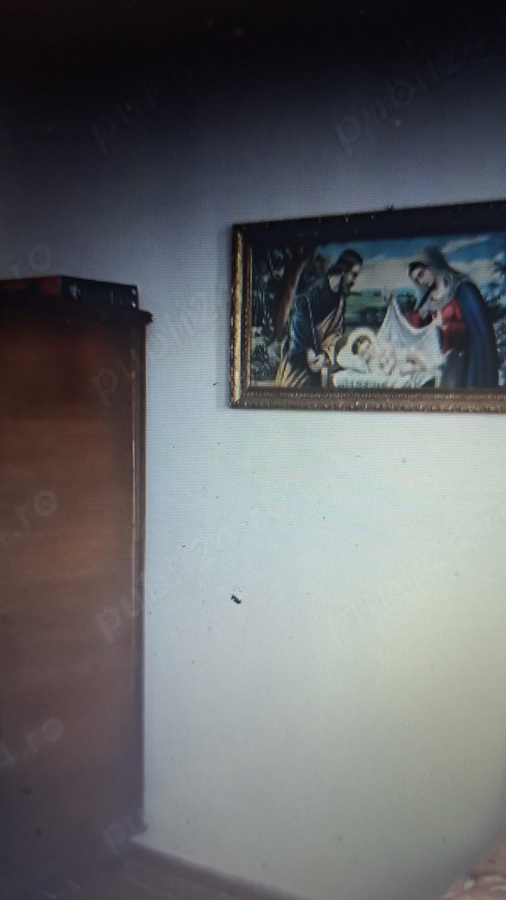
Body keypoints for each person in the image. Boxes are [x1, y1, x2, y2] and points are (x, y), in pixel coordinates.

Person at [405, 246, 498, 388]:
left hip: (461, 358)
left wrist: (443, 326)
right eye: (416, 279)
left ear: (431, 266)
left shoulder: (463, 289)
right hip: (437, 359)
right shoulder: (428, 298)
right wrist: (397, 311)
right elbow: (418, 321)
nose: (420, 281)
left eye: (421, 274)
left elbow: (472, 330)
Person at [275, 248, 363, 388]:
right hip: (298, 361)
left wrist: (325, 355)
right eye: (353, 275)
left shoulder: (340, 300)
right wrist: (309, 352)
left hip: (318, 364)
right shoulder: (315, 289)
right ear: (343, 270)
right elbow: (299, 317)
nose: (353, 281)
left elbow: (336, 332)